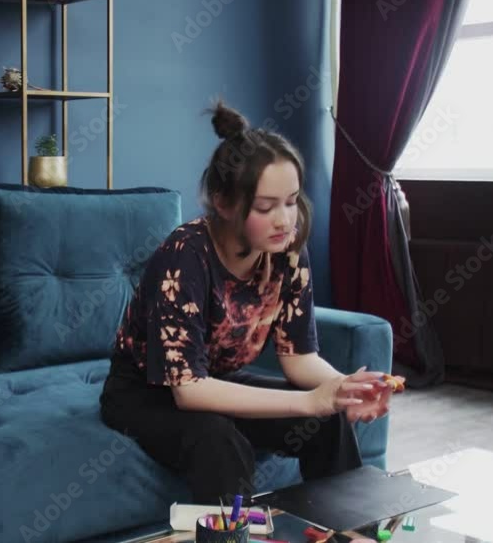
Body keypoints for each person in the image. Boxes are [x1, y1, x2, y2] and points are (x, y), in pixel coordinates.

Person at [99, 102, 393, 505]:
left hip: (216, 381)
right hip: (144, 393)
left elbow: (298, 358)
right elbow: (188, 392)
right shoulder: (185, 256)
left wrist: (342, 388)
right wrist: (309, 398)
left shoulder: (288, 253)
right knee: (219, 443)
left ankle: (346, 531)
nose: (284, 221)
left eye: (291, 201)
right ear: (223, 203)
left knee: (326, 422)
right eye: (265, 207)